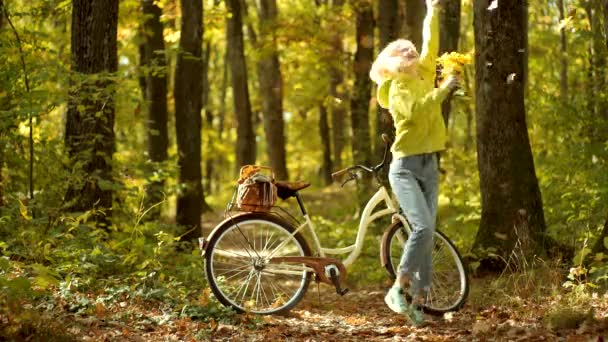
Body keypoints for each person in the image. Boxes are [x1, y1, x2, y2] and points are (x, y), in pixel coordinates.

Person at [369, 0, 460, 325]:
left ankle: (419, 305)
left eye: (411, 50)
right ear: (391, 64)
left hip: (429, 163)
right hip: (405, 167)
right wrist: (443, 91)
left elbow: (430, 41)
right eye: (402, 51)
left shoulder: (422, 73)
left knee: (427, 232)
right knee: (421, 227)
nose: (410, 52)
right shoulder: (395, 89)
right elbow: (413, 111)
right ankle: (399, 287)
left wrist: (432, 9)